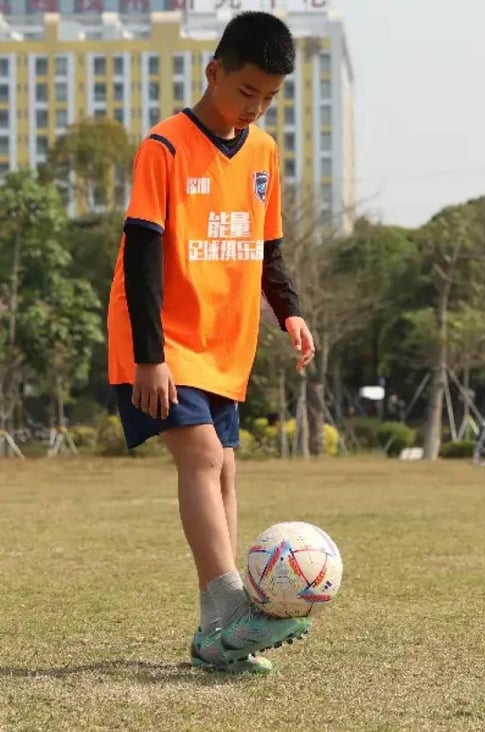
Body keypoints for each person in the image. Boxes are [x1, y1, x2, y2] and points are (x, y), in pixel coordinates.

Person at [106, 11, 317, 675]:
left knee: (225, 469)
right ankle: (234, 605)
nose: (255, 108)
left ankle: (214, 638)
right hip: (161, 337)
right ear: (214, 71)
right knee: (199, 456)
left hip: (224, 343)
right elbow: (142, 256)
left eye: (269, 98)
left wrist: (290, 312)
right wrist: (149, 357)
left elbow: (267, 248)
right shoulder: (164, 147)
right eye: (246, 91)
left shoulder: (263, 154)